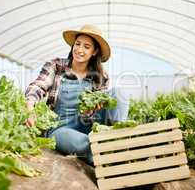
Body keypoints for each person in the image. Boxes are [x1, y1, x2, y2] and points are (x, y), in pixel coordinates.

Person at [25, 24, 128, 165]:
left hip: (89, 125)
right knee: (86, 144)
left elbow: (100, 109)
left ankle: (121, 138)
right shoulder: (56, 66)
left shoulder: (100, 76)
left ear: (94, 51)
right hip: (61, 128)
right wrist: (30, 106)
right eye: (77, 44)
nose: (79, 49)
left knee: (119, 92)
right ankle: (112, 160)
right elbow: (38, 85)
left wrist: (94, 108)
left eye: (86, 47)